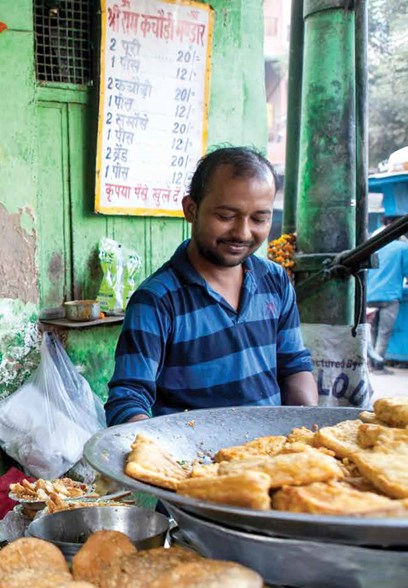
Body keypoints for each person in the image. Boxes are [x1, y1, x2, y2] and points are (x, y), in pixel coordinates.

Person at [105, 146, 318, 426]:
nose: (242, 232)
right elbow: (129, 396)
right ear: (191, 210)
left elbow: (294, 365)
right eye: (226, 216)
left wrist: (308, 425)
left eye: (259, 218)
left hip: (272, 457)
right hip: (196, 459)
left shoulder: (275, 282)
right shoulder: (157, 300)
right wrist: (151, 452)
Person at [365, 235, 408, 373]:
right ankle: (378, 365)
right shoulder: (403, 248)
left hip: (371, 294)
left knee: (372, 331)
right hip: (390, 296)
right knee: (384, 333)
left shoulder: (378, 246)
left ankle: (371, 363)